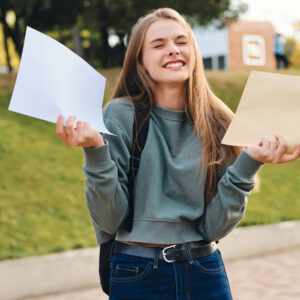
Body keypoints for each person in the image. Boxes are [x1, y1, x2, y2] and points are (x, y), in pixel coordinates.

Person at [56, 8, 300, 300]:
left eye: (181, 42)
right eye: (158, 45)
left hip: (205, 270)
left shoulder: (220, 122)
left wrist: (251, 162)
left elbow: (214, 227)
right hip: (136, 273)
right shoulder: (120, 115)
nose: (173, 50)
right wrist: (95, 150)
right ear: (140, 61)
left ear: (193, 52)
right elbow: (110, 220)